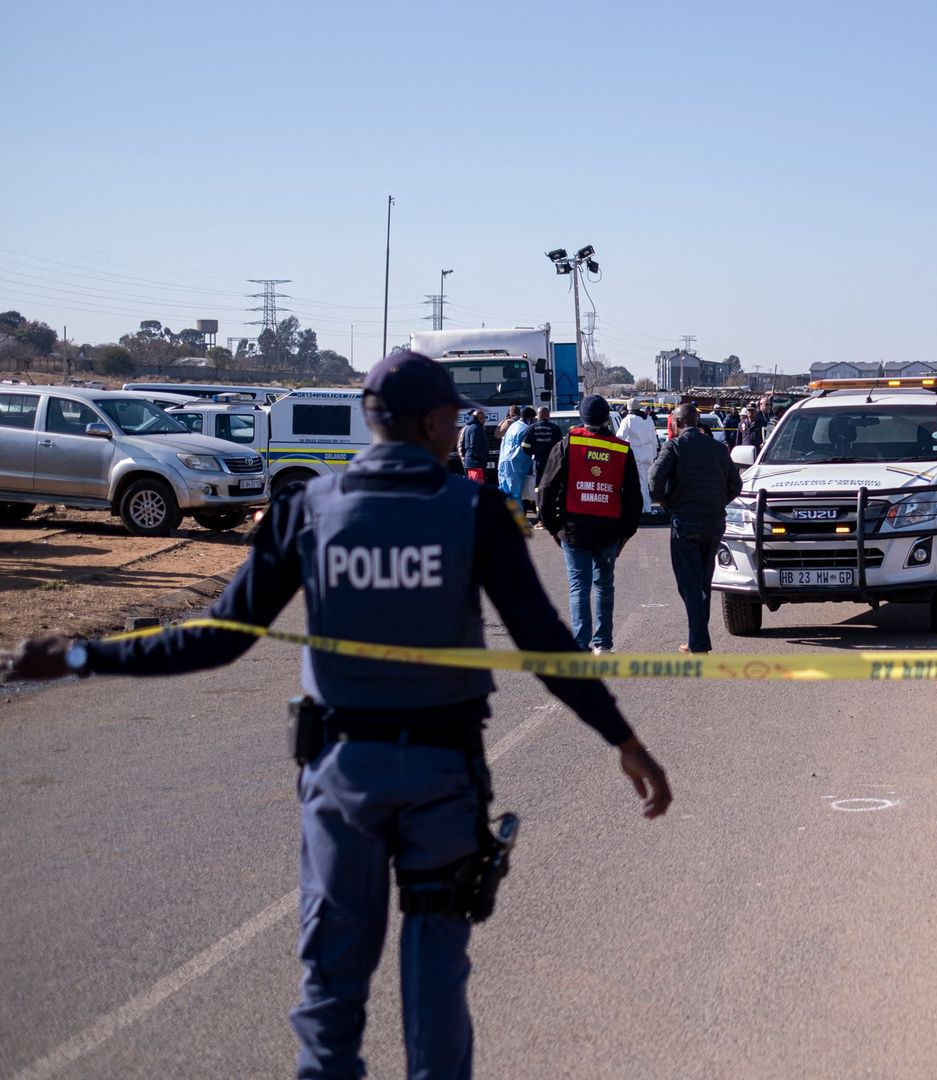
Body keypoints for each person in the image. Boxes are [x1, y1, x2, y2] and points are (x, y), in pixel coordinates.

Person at [2, 350, 671, 1078]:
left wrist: (83, 658)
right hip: (442, 780)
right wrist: (623, 740)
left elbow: (217, 640)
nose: (459, 426)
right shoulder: (471, 511)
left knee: (330, 994)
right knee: (436, 985)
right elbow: (545, 645)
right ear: (427, 422)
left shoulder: (308, 509)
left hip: (342, 779)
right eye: (451, 414)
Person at [538, 395, 644, 652]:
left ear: (582, 417)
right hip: (609, 530)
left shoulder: (568, 444)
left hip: (574, 529)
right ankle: (604, 645)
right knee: (604, 586)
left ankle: (580, 645)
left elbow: (546, 489)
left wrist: (553, 526)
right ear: (608, 417)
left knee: (579, 587)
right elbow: (633, 498)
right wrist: (626, 534)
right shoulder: (620, 448)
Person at [650, 403, 742, 654]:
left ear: (677, 424)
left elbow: (653, 481)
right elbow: (735, 485)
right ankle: (696, 638)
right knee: (703, 582)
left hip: (686, 522)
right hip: (713, 523)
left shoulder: (675, 446)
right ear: (698, 422)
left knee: (689, 584)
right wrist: (715, 502)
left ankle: (698, 641)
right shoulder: (717, 448)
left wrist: (667, 502)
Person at [615, 397, 660, 515]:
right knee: (645, 483)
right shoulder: (648, 419)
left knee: (640, 484)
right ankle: (646, 508)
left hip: (636, 455)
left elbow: (619, 438)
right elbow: (653, 439)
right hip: (648, 454)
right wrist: (654, 455)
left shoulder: (628, 420)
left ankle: (644, 510)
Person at [523, 406, 564, 514]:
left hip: (539, 462)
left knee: (538, 487)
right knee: (552, 486)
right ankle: (552, 511)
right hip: (553, 463)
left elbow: (524, 446)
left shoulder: (531, 428)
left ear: (538, 415)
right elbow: (560, 446)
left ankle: (540, 515)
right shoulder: (555, 428)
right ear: (548, 415)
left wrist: (533, 452)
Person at [497, 407, 533, 502]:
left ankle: (504, 516)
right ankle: (516, 517)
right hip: (516, 465)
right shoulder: (525, 429)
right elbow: (527, 448)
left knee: (504, 493)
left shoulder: (513, 426)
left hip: (504, 463)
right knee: (515, 495)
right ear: (529, 419)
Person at [458, 408, 489, 483]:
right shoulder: (476, 428)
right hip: (476, 464)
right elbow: (473, 446)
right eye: (483, 418)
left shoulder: (468, 427)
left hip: (471, 463)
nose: (485, 420)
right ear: (479, 418)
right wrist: (482, 458)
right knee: (478, 487)